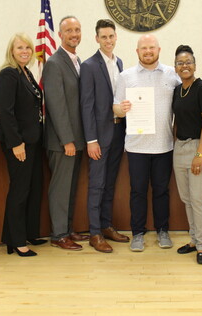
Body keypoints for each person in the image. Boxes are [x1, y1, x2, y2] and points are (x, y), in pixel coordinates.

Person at [113, 34, 180, 252]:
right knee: (137, 191)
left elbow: (187, 95)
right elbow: (115, 107)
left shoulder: (172, 74)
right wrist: (120, 109)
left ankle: (163, 230)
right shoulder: (126, 76)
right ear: (137, 51)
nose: (148, 51)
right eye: (144, 48)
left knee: (162, 191)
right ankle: (138, 233)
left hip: (164, 145)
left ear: (159, 49)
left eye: (152, 47)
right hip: (136, 146)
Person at [80, 19, 129, 253]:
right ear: (97, 39)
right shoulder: (89, 66)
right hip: (98, 137)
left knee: (110, 184)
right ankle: (95, 233)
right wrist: (91, 140)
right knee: (97, 185)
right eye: (104, 37)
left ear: (116, 37)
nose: (108, 40)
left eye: (111, 36)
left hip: (119, 132)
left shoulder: (119, 63)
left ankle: (107, 225)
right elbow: (87, 105)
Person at [0, 33, 44, 257]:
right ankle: (16, 241)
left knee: (34, 188)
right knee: (20, 191)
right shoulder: (8, 75)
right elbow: (6, 112)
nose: (25, 51)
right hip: (19, 143)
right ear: (11, 51)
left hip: (33, 141)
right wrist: (16, 143)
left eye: (28, 48)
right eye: (20, 48)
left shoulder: (26, 73)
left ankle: (28, 233)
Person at [43, 16, 88, 251]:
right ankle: (58, 234)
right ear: (60, 35)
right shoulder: (54, 63)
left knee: (70, 188)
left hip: (77, 139)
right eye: (69, 30)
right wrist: (67, 140)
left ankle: (67, 228)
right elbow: (56, 105)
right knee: (60, 189)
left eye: (77, 30)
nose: (74, 34)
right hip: (63, 141)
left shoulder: (76, 60)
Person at [171, 45, 202, 264]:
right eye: (180, 63)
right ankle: (193, 239)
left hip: (200, 146)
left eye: (188, 62)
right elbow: (176, 121)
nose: (185, 66)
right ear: (175, 68)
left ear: (195, 65)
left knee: (198, 199)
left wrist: (199, 154)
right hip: (180, 148)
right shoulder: (176, 90)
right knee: (186, 198)